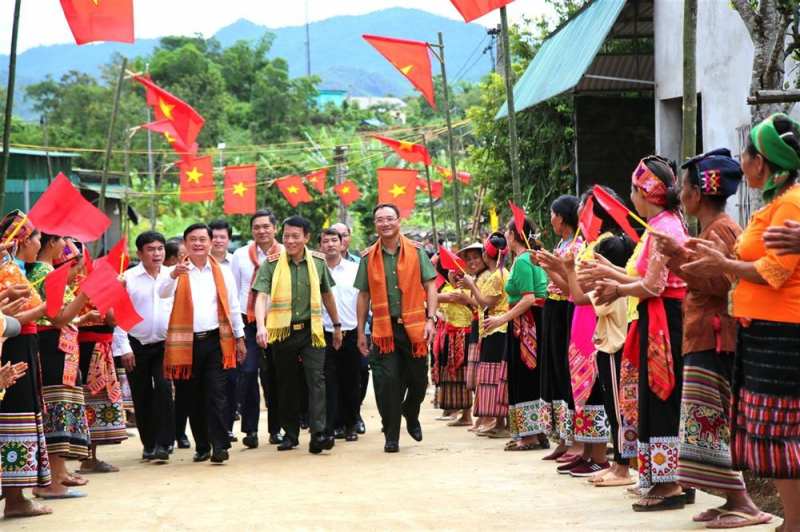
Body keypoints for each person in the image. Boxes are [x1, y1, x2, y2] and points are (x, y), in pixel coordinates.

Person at [682, 113, 800, 529]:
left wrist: (721, 261)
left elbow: (774, 272)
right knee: (770, 429)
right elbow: (742, 271)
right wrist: (715, 262)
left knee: (780, 430)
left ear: (762, 163)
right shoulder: (774, 204)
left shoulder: (789, 203)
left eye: (747, 154)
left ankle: (794, 521)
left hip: (781, 334)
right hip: (762, 331)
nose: (743, 163)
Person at [651, 149, 769, 527]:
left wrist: (676, 258)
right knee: (705, 423)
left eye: (682, 187)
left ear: (696, 195)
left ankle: (744, 504)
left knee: (710, 423)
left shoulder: (721, 230)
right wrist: (678, 257)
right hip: (706, 336)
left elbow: (722, 285)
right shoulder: (715, 229)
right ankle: (731, 500)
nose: (679, 194)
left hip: (715, 338)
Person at [593, 156, 689, 511]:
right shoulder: (662, 224)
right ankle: (665, 480)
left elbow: (652, 285)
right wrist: (610, 272)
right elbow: (646, 282)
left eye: (633, 188)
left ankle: (669, 485)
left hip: (666, 319)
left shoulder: (664, 228)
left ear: (643, 192)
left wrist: (616, 289)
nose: (631, 195)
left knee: (663, 399)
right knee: (655, 398)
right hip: (658, 317)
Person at [156, 223, 246, 464]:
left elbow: (234, 307)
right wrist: (175, 274)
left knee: (217, 394)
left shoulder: (222, 272)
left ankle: (219, 445)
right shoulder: (174, 271)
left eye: (202, 239)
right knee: (191, 397)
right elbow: (162, 292)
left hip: (216, 341)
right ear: (185, 244)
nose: (198, 243)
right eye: (192, 239)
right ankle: (203, 445)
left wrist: (240, 338)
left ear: (210, 243)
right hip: (186, 345)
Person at [253, 216, 341, 454]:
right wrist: (261, 326)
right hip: (282, 334)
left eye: (295, 236)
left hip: (312, 331)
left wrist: (337, 325)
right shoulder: (271, 264)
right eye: (286, 236)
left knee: (316, 380)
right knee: (286, 384)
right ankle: (290, 434)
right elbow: (260, 296)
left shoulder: (318, 262)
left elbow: (327, 295)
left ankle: (319, 433)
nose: (290, 241)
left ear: (307, 238)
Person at [355, 203, 437, 453]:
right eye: (380, 220)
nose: (385, 223)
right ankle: (391, 436)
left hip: (413, 328)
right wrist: (360, 331)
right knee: (387, 382)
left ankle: (411, 412)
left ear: (399, 221)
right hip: (383, 329)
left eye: (390, 218)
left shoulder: (416, 251)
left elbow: (431, 285)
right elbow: (363, 295)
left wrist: (431, 319)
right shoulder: (369, 257)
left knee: (419, 380)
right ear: (375, 225)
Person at [28, 234, 92, 499]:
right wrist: (88, 293)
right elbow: (60, 317)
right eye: (64, 242)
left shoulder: (40, 271)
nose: (67, 249)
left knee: (58, 409)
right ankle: (52, 481)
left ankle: (58, 474)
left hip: (55, 346)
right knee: (56, 410)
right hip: (52, 346)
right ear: (52, 242)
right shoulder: (46, 272)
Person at [0, 212, 53, 518]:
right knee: (14, 417)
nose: (39, 244)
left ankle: (17, 496)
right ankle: (15, 499)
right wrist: (50, 304)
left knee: (21, 416)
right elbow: (11, 321)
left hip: (20, 345)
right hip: (12, 347)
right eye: (35, 239)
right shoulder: (7, 271)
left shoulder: (14, 269)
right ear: (20, 241)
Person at [484, 215, 549, 451]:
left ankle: (529, 435)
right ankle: (538, 432)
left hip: (525, 322)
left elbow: (529, 298)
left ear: (513, 236)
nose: (505, 235)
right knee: (533, 376)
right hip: (535, 321)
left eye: (507, 232)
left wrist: (501, 318)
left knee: (523, 376)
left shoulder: (522, 261)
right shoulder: (532, 258)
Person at [112, 231, 177, 460]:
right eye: (151, 249)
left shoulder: (173, 275)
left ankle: (165, 443)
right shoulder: (128, 278)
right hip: (135, 345)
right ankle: (149, 444)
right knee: (141, 395)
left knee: (163, 388)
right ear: (139, 253)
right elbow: (119, 316)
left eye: (160, 248)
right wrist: (125, 348)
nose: (157, 253)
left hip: (165, 345)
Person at [73, 240, 128, 475]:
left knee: (85, 402)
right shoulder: (90, 285)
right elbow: (113, 319)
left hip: (83, 347)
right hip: (93, 349)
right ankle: (88, 458)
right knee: (91, 402)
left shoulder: (72, 285)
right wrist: (116, 290)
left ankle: (88, 457)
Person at [230, 209, 284, 448]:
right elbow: (234, 290)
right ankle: (250, 429)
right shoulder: (240, 255)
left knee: (275, 376)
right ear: (252, 231)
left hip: (278, 322)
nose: (261, 231)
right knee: (248, 372)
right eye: (256, 227)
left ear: (275, 228)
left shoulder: (285, 253)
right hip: (248, 321)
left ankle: (276, 429)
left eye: (266, 226)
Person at [536, 195, 582, 460]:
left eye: (553, 213)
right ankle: (564, 436)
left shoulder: (577, 245)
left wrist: (547, 267)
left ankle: (575, 437)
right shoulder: (561, 244)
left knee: (566, 372)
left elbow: (568, 287)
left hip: (567, 307)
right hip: (552, 308)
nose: (551, 218)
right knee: (554, 370)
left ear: (561, 216)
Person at [459, 232, 510, 437]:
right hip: (491, 328)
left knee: (495, 376)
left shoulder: (497, 275)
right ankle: (498, 422)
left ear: (487, 256)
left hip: (496, 328)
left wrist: (471, 287)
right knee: (493, 376)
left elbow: (485, 303)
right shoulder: (498, 273)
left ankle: (502, 423)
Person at [319, 228, 362, 442]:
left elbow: (364, 301)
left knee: (351, 381)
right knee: (329, 381)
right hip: (324, 333)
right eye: (325, 241)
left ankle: (351, 424)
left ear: (342, 243)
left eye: (334, 240)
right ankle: (333, 425)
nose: (330, 244)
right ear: (320, 247)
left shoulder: (355, 269)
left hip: (351, 332)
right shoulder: (316, 271)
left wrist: (364, 331)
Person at [434, 243, 483, 428]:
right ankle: (466, 415)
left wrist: (425, 294)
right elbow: (442, 309)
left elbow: (441, 299)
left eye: (474, 258)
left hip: (468, 334)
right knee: (461, 377)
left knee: (470, 377)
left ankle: (474, 415)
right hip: (453, 335)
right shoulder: (451, 289)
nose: (456, 275)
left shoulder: (466, 288)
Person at [331, 221, 368, 434]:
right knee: (333, 376)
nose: (339, 240)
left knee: (360, 372)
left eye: (342, 236)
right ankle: (338, 420)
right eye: (333, 236)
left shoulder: (358, 265)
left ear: (348, 238)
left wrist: (365, 330)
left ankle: (354, 414)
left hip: (358, 330)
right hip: (329, 331)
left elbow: (365, 298)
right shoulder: (319, 267)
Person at [209, 219, 238, 443]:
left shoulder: (235, 262)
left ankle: (227, 428)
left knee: (230, 381)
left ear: (229, 239)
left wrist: (240, 336)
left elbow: (235, 302)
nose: (218, 240)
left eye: (222, 236)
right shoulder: (196, 264)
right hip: (207, 331)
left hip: (229, 330)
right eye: (214, 236)